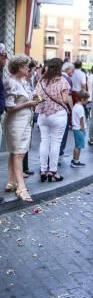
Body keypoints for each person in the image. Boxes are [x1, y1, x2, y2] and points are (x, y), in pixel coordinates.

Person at [3, 55, 36, 202]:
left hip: (23, 122)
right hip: (16, 123)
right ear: (19, 67)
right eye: (26, 65)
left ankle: (11, 182)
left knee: (14, 153)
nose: (28, 68)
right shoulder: (11, 82)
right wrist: (28, 104)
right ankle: (21, 188)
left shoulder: (21, 81)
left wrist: (32, 102)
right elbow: (9, 107)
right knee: (18, 154)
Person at [35, 58, 71, 183]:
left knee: (44, 141)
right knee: (56, 143)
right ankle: (53, 171)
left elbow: (36, 98)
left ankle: (43, 170)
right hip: (58, 114)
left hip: (43, 115)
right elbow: (66, 100)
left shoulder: (41, 81)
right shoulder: (63, 81)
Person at [59, 62, 74, 157]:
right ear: (68, 69)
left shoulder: (59, 77)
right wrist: (72, 109)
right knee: (63, 131)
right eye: (72, 70)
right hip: (64, 108)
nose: (73, 72)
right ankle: (60, 151)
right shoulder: (67, 79)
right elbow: (68, 97)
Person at [71, 90, 89, 168]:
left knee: (76, 145)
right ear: (82, 99)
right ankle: (76, 161)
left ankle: (74, 159)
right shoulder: (80, 108)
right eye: (86, 99)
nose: (87, 101)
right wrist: (83, 129)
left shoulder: (75, 106)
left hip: (75, 128)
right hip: (79, 129)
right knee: (79, 146)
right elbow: (81, 120)